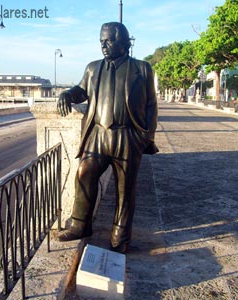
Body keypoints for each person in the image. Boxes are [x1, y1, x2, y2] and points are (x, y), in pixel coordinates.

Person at [56, 21, 158, 253]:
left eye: (108, 40)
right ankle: (80, 225)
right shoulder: (93, 68)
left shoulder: (142, 69)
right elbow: (81, 91)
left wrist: (145, 136)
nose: (103, 45)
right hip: (97, 135)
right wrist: (67, 94)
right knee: (84, 173)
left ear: (123, 42)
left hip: (127, 136)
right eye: (101, 41)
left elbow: (152, 104)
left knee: (125, 189)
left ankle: (119, 239)